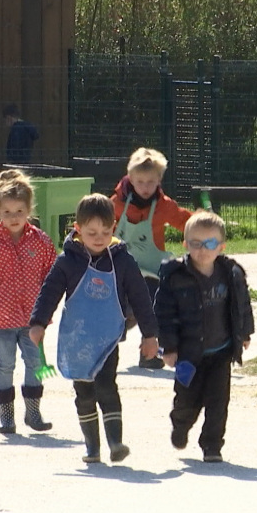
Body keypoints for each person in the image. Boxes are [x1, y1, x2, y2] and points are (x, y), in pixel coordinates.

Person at [29, 193, 159, 464]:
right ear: (77, 230)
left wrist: (150, 335)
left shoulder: (123, 260)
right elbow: (49, 291)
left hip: (108, 338)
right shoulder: (68, 261)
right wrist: (38, 323)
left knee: (107, 387)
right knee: (84, 393)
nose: (99, 237)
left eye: (105, 231)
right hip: (76, 339)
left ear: (114, 228)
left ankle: (115, 442)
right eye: (91, 232)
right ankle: (92, 447)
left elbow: (141, 298)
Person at [155, 211, 254, 463]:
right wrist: (168, 346)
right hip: (189, 352)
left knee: (218, 402)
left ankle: (212, 445)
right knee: (188, 400)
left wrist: (244, 332)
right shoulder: (176, 277)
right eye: (196, 243)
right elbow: (163, 314)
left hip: (221, 350)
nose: (203, 250)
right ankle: (180, 423)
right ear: (185, 244)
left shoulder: (231, 273)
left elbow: (242, 304)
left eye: (210, 244)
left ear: (221, 246)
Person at [0, 169, 56, 434]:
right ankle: (6, 415)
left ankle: (34, 410)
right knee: (4, 364)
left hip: (34, 320)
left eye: (19, 211)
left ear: (29, 210)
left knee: (37, 364)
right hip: (2, 319)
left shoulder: (40, 241)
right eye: (7, 212)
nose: (13, 217)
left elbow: (52, 275)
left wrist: (46, 307)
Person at [111, 147, 193, 369]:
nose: (145, 187)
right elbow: (96, 223)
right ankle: (110, 342)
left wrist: (206, 227)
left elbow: (186, 222)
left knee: (155, 309)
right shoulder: (116, 204)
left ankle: (149, 354)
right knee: (121, 312)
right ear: (130, 178)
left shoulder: (164, 206)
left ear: (159, 180)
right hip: (120, 270)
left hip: (152, 271)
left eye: (151, 182)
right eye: (140, 182)